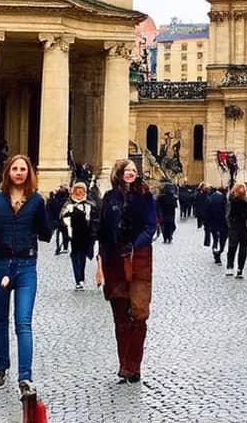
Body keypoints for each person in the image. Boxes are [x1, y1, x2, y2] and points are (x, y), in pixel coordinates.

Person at [0, 154, 52, 394]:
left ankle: (25, 376)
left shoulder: (37, 201)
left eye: (23, 169)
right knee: (0, 318)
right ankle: (2, 366)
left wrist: (49, 218)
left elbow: (45, 232)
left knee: (23, 321)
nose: (19, 172)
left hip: (26, 265)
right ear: (8, 172)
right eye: (15, 169)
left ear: (29, 173)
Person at [97, 159, 157, 384]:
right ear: (119, 173)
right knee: (120, 316)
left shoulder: (145, 196)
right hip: (114, 259)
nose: (131, 173)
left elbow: (151, 226)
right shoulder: (109, 198)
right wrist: (100, 263)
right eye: (127, 170)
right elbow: (103, 232)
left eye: (134, 170)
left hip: (139, 258)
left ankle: (134, 365)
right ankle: (124, 365)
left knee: (139, 313)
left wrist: (135, 245)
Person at [59, 181, 99, 290]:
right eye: (77, 191)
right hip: (73, 235)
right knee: (75, 256)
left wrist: (94, 232)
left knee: (82, 256)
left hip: (86, 234)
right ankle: (78, 279)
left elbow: (95, 219)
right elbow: (61, 217)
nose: (79, 193)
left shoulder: (89, 205)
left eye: (81, 191)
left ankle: (81, 277)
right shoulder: (68, 205)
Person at [225, 183, 247, 278]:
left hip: (234, 227)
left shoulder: (232, 201)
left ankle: (230, 266)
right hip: (244, 228)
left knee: (232, 248)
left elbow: (228, 215)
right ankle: (240, 269)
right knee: (243, 249)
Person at [204, 185, 228, 264]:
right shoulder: (224, 198)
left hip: (213, 223)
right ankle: (218, 252)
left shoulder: (211, 198)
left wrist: (207, 224)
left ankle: (216, 251)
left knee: (215, 239)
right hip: (223, 224)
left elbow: (207, 212)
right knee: (222, 240)